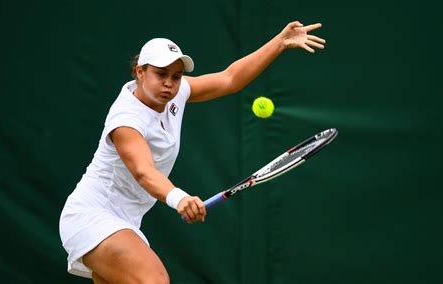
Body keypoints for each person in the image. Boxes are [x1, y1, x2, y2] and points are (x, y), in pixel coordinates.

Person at [59, 20, 326, 284]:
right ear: (140, 72)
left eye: (176, 76)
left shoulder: (175, 93)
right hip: (92, 216)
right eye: (160, 74)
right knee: (154, 281)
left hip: (125, 220)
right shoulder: (127, 120)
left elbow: (229, 78)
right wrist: (179, 198)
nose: (169, 84)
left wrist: (280, 42)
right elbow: (143, 172)